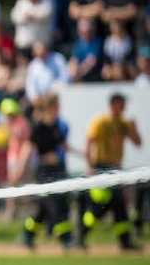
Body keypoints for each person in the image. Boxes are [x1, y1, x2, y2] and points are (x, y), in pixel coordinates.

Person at [79, 93, 142, 251]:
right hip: (101, 168)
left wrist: (134, 129)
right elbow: (88, 144)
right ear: (114, 104)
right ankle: (81, 235)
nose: (124, 108)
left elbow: (138, 143)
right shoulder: (101, 121)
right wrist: (90, 168)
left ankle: (124, 241)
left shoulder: (124, 124)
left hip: (116, 169)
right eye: (121, 104)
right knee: (104, 205)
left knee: (118, 205)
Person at [21, 94, 73, 250]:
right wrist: (20, 169)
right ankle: (66, 239)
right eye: (55, 105)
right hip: (45, 172)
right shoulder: (39, 127)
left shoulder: (56, 127)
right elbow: (28, 147)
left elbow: (63, 145)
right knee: (56, 205)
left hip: (58, 171)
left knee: (44, 208)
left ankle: (28, 234)